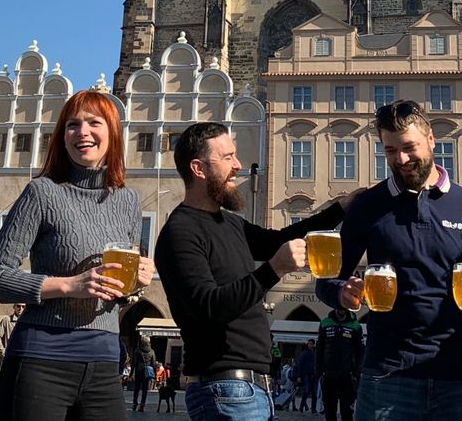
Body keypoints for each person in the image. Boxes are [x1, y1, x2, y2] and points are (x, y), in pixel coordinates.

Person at [316, 100, 462, 421]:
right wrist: (342, 292)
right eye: (389, 151)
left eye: (409, 147)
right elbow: (326, 280)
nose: (401, 159)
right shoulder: (368, 206)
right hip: (388, 374)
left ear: (431, 138)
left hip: (461, 376)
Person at [154, 120, 360, 421]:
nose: (238, 165)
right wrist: (274, 269)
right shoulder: (181, 231)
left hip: (248, 390)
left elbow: (278, 240)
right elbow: (209, 307)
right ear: (198, 169)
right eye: (227, 158)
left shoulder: (229, 222)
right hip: (224, 389)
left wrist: (340, 208)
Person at [0, 89, 156, 421]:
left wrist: (136, 282)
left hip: (105, 361)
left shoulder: (129, 201)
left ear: (112, 133)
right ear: (62, 137)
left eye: (94, 122)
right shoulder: (42, 192)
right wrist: (67, 286)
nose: (82, 132)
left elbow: (115, 294)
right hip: (40, 359)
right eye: (72, 125)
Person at [316, 307, 363, 421]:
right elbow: (319, 348)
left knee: (346, 411)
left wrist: (357, 372)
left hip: (347, 375)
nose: (340, 310)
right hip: (328, 375)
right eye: (338, 307)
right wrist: (318, 369)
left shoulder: (355, 326)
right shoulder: (325, 323)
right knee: (329, 411)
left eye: (343, 307)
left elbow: (360, 351)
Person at [0, 303, 24, 388]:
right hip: (9, 355)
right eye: (18, 306)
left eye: (23, 306)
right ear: (14, 307)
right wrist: (2, 350)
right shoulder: (7, 320)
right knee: (6, 383)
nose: (20, 308)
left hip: (23, 356)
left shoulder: (28, 320)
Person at [133, 336, 157, 412]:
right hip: (147, 372)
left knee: (136, 388)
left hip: (138, 370)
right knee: (145, 389)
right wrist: (155, 374)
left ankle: (134, 403)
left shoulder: (138, 350)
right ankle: (142, 405)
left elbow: (134, 362)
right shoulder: (152, 351)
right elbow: (153, 364)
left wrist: (131, 373)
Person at [295, 339, 317, 413]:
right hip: (306, 374)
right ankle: (302, 406)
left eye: (311, 344)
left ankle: (313, 408)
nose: (309, 345)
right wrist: (299, 376)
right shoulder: (305, 353)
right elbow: (300, 365)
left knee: (314, 392)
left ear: (314, 345)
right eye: (308, 344)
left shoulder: (315, 353)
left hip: (314, 374)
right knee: (306, 391)